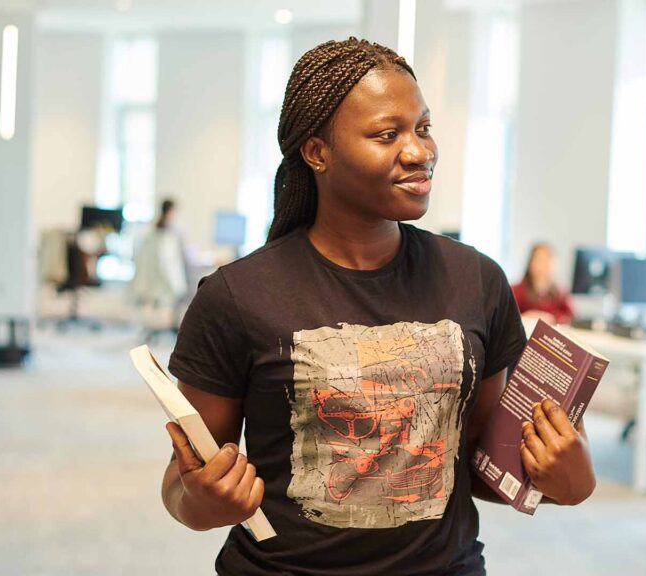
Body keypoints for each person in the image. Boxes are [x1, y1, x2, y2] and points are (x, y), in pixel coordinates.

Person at [160, 38, 596, 576]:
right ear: (317, 152)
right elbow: (183, 483)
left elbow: (483, 463)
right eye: (387, 134)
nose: (419, 151)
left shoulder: (476, 280)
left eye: (424, 127)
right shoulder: (237, 297)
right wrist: (201, 502)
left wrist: (563, 480)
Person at [129, 199, 188, 336]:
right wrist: (177, 285)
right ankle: (176, 327)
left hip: (152, 282)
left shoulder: (152, 232)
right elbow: (167, 265)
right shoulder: (166, 235)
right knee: (191, 289)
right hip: (163, 283)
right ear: (170, 212)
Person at [511, 242, 575, 325]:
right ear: (531, 263)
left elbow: (571, 317)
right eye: (540, 259)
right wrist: (526, 317)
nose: (544, 264)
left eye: (548, 259)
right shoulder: (516, 290)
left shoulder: (560, 292)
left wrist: (551, 318)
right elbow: (508, 317)